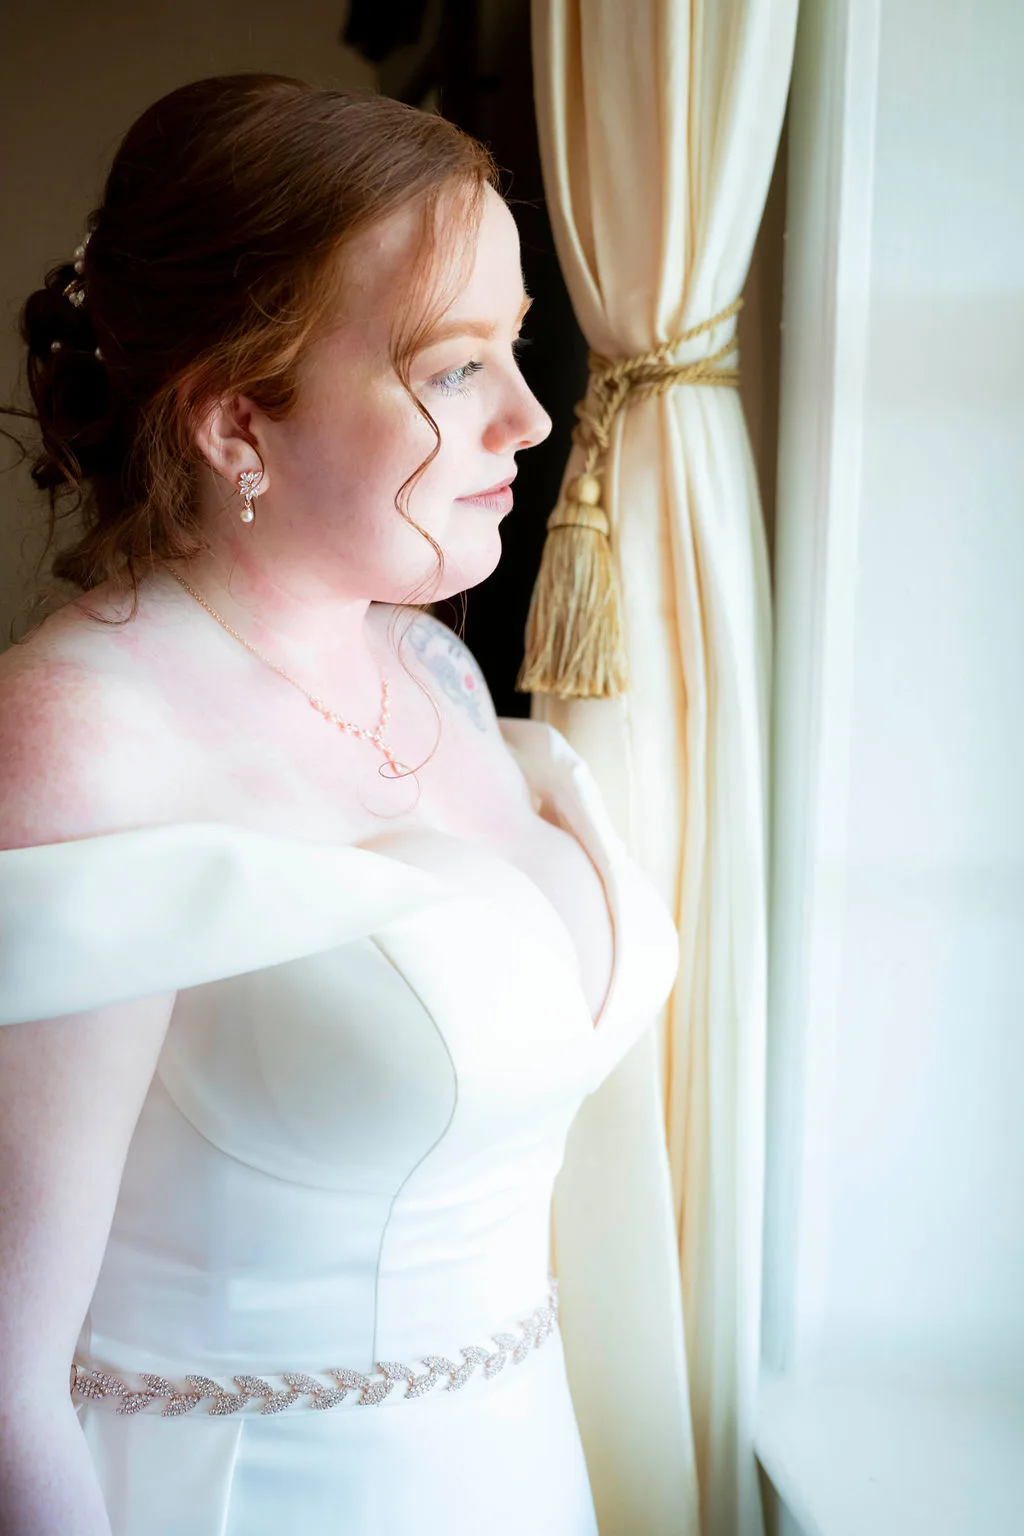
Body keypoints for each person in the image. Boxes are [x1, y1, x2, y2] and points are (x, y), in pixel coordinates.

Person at [0, 74, 680, 1536]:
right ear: (238, 420)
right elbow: (3, 1375)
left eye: (514, 346)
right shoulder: (77, 739)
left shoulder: (427, 663)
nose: (528, 414)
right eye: (451, 370)